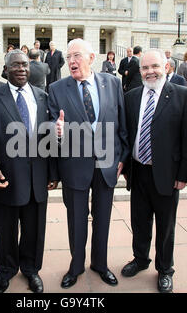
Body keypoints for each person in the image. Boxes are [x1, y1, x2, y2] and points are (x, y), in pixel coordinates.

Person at [48, 38, 129, 289]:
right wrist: (56, 130)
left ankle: (101, 265)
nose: (72, 61)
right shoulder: (57, 88)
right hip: (74, 165)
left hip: (107, 164)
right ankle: (76, 266)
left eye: (77, 56)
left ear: (92, 58)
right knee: (76, 220)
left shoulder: (113, 83)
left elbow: (121, 124)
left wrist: (122, 158)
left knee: (103, 219)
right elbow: (50, 128)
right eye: (69, 57)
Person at [0, 49, 58, 293]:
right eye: (16, 65)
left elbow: (49, 139)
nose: (22, 69)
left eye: (25, 64)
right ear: (6, 70)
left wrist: (53, 174)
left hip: (37, 179)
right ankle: (5, 270)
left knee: (34, 231)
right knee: (6, 230)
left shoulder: (43, 97)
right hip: (7, 178)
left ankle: (31, 269)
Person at [121, 49, 187, 293]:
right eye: (145, 68)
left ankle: (165, 269)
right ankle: (140, 259)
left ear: (166, 66)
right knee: (139, 222)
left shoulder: (183, 95)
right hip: (139, 171)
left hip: (167, 174)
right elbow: (127, 133)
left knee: (166, 227)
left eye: (154, 66)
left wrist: (183, 175)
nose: (149, 71)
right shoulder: (132, 96)